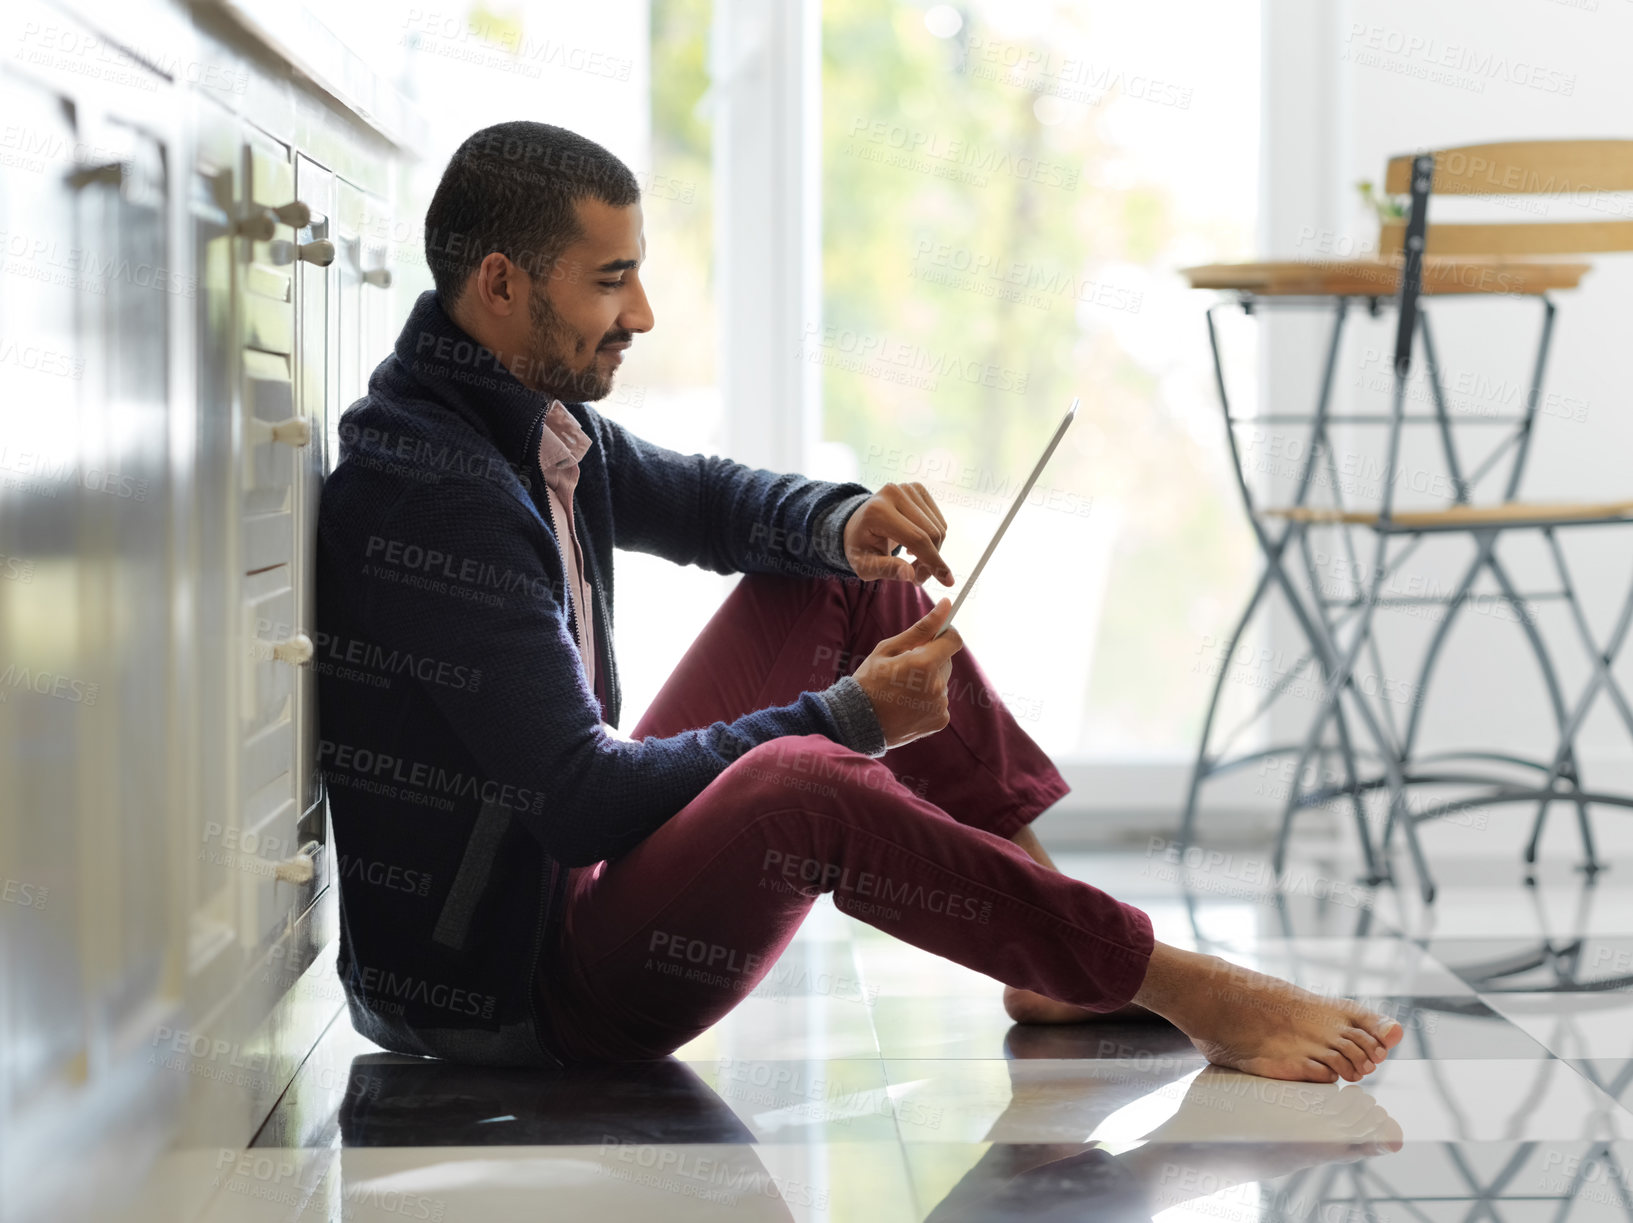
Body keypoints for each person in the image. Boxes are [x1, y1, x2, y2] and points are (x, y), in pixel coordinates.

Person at [315, 120, 1403, 1083]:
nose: (640, 311)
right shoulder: (431, 489)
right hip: (512, 994)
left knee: (846, 587)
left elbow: (702, 500)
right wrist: (850, 718)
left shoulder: (530, 419)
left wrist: (846, 520)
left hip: (563, 890)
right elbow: (583, 800)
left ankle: (1055, 953)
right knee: (808, 781)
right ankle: (1174, 981)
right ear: (501, 284)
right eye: (610, 280)